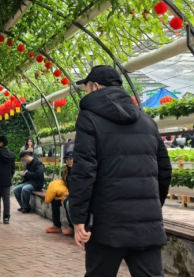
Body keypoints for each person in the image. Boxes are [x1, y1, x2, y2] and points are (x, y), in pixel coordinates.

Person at [68, 65, 172, 278]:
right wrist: (151, 206)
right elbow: (164, 170)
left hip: (106, 225)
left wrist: (78, 218)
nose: (86, 92)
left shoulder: (89, 118)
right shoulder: (147, 121)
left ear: (95, 86)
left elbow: (84, 171)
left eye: (87, 87)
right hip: (146, 226)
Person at [46, 152, 75, 236]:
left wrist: (69, 193)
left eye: (70, 159)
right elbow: (64, 183)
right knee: (55, 200)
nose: (69, 161)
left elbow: (80, 185)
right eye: (67, 159)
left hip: (76, 194)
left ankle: (72, 226)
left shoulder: (78, 170)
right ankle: (57, 225)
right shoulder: (66, 170)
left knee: (67, 202)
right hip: (67, 193)